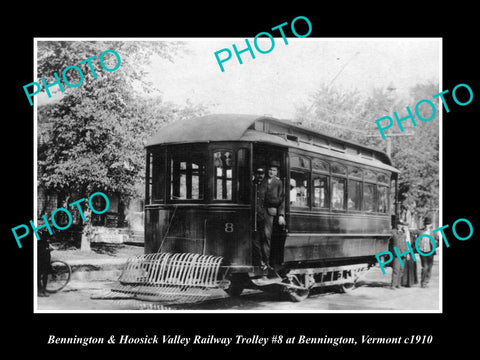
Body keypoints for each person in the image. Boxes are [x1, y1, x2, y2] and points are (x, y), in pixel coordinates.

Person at [252, 162, 285, 277]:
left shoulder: (278, 183)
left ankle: (266, 263)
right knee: (256, 238)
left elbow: (281, 200)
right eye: (270, 170)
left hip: (269, 213)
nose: (271, 172)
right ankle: (260, 261)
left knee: (266, 237)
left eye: (274, 170)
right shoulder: (262, 182)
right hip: (259, 213)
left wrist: (281, 215)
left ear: (277, 172)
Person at [418, 216, 436, 288]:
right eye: (426, 224)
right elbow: (418, 240)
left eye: (428, 224)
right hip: (422, 251)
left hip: (430, 251)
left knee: (429, 267)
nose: (427, 226)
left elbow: (438, 240)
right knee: (425, 267)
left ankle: (426, 281)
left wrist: (435, 244)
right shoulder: (421, 231)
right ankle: (423, 282)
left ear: (430, 225)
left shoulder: (433, 232)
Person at [390, 220, 407, 289]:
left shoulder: (404, 233)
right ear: (396, 225)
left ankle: (398, 284)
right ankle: (393, 285)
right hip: (397, 254)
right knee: (396, 269)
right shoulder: (393, 232)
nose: (399, 226)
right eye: (398, 224)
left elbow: (405, 244)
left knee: (401, 269)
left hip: (403, 253)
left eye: (401, 224)